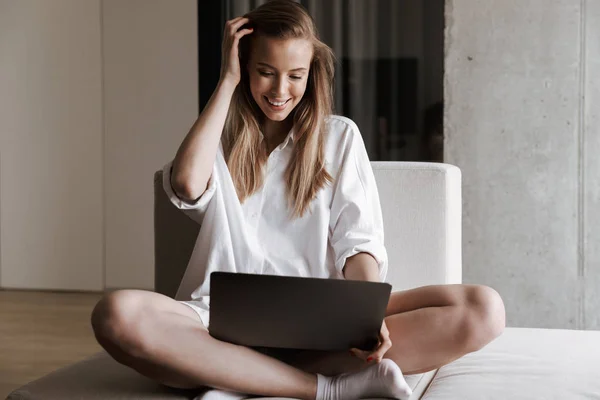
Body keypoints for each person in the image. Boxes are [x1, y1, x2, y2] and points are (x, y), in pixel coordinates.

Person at [91, 1, 505, 399]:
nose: (280, 90)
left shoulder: (338, 136)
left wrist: (366, 316)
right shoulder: (219, 135)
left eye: (295, 75)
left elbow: (358, 243)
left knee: (482, 308)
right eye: (265, 72)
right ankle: (321, 388)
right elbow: (184, 185)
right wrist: (227, 80)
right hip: (215, 321)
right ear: (245, 66)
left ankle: (235, 373)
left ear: (312, 74)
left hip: (323, 328)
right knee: (116, 314)